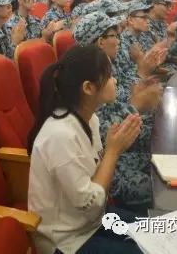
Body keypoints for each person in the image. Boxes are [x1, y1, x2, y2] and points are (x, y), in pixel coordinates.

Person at [27, 44, 144, 254]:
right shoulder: (60, 136)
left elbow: (94, 182)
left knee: (155, 231)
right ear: (88, 88)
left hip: (91, 221)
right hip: (68, 241)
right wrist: (112, 152)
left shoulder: (90, 119)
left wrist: (112, 151)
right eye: (109, 77)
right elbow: (90, 205)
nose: (115, 81)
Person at [73, 11, 163, 213]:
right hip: (108, 163)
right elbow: (103, 136)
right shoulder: (89, 76)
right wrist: (137, 103)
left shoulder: (104, 67)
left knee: (166, 153)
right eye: (114, 35)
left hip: (121, 149)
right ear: (100, 42)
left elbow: (122, 102)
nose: (120, 40)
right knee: (162, 188)